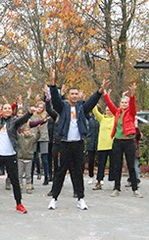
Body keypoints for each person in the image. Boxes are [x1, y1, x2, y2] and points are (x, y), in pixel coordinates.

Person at [47, 73, 109, 210]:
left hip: (78, 144)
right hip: (64, 144)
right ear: (68, 95)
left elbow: (92, 101)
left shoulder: (82, 107)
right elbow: (55, 100)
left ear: (78, 95)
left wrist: (100, 91)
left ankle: (80, 198)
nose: (74, 96)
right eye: (72, 94)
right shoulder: (62, 107)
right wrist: (53, 85)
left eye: (76, 93)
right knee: (60, 172)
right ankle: (54, 199)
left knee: (78, 172)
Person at [0, 83, 34, 214]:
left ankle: (19, 204)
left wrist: (30, 113)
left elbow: (24, 118)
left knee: (15, 181)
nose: (8, 110)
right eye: (5, 108)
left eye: (10, 108)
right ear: (2, 111)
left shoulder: (14, 122)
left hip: (10, 156)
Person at [102, 83, 143, 198]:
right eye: (122, 102)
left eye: (126, 103)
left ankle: (135, 189)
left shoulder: (131, 112)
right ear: (120, 104)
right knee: (117, 165)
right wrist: (105, 93)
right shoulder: (117, 112)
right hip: (118, 141)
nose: (124, 104)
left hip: (129, 141)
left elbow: (133, 105)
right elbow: (109, 105)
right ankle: (116, 188)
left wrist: (132, 93)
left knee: (131, 166)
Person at [91, 105, 115, 190]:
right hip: (102, 146)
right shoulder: (102, 118)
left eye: (110, 110)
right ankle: (99, 181)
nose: (108, 111)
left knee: (114, 165)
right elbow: (95, 111)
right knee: (101, 165)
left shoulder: (115, 118)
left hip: (112, 145)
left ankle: (115, 183)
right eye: (107, 110)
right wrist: (94, 101)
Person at [18, 124, 40, 194]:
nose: (27, 132)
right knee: (20, 174)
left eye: (28, 130)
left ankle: (28, 186)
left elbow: (37, 137)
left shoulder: (32, 138)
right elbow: (15, 133)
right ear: (22, 132)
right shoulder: (20, 137)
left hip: (29, 158)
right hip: (20, 158)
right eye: (25, 130)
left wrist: (38, 131)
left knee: (28, 174)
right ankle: (20, 186)